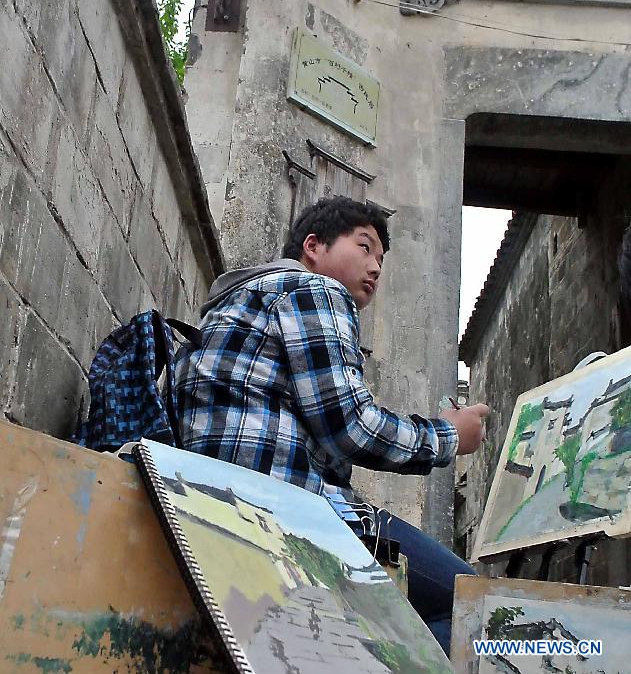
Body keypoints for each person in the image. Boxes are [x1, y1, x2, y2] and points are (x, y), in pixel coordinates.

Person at [174, 196, 489, 654]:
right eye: (365, 247)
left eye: (380, 258)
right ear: (314, 246)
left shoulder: (234, 305)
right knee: (471, 604)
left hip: (216, 500)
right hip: (287, 510)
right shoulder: (313, 290)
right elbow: (352, 427)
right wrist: (449, 436)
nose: (376, 267)